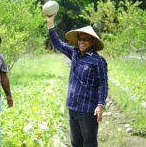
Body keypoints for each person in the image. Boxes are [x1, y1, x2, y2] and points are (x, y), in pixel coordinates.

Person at [45, 12, 108, 147]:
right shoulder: (74, 53)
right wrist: (50, 23)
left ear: (92, 41)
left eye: (85, 40)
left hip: (87, 110)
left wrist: (100, 105)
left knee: (89, 143)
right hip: (72, 107)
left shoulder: (98, 61)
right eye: (80, 39)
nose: (81, 42)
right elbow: (58, 43)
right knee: (75, 143)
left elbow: (103, 84)